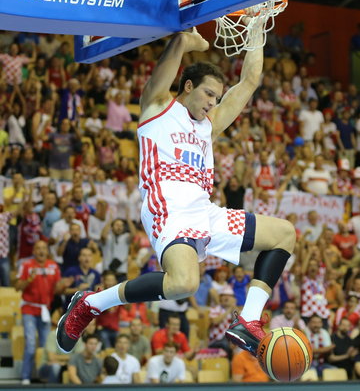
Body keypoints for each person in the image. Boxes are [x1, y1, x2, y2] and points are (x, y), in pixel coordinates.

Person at [56, 27, 296, 358]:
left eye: (217, 97)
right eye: (209, 94)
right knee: (184, 284)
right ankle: (91, 303)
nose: (213, 103)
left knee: (285, 234)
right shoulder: (157, 108)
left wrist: (256, 31)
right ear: (187, 87)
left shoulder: (209, 124)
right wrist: (186, 38)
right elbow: (175, 50)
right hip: (167, 206)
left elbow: (250, 82)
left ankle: (249, 321)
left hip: (204, 210)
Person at [15, 240, 62, 385]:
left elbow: (58, 290)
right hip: (29, 308)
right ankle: (26, 377)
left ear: (47, 251)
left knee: (45, 344)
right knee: (30, 344)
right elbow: (17, 287)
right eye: (38, 248)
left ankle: (44, 376)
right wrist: (29, 279)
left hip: (45, 310)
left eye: (44, 248)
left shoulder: (53, 266)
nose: (41, 251)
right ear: (34, 251)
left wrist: (65, 285)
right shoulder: (27, 265)